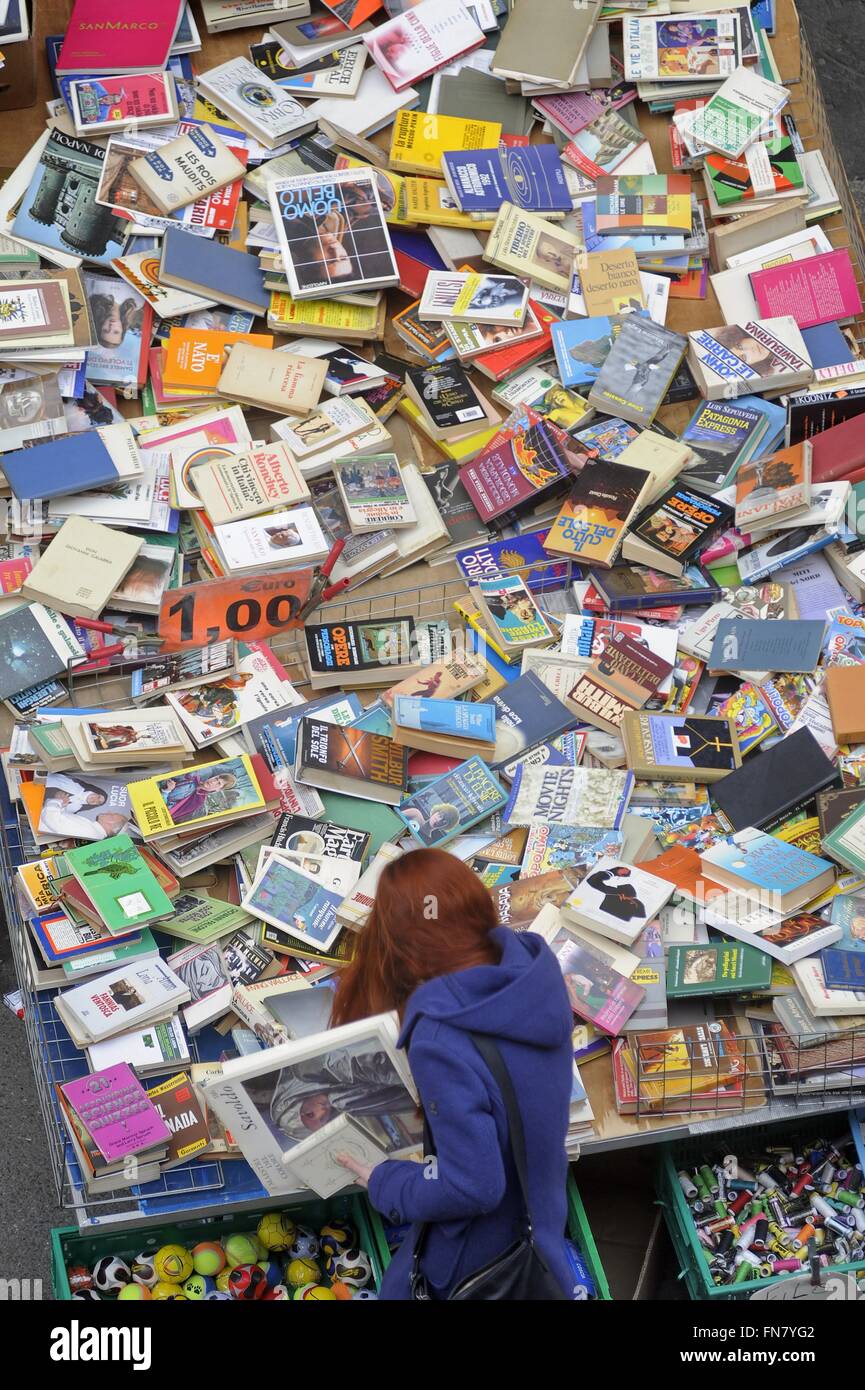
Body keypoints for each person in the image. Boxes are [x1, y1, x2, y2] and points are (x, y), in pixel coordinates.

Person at [329, 849, 575, 1301]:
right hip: (538, 1217)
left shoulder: (439, 1039)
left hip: (477, 1260)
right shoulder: (531, 971)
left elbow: (473, 1187)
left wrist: (386, 1181)